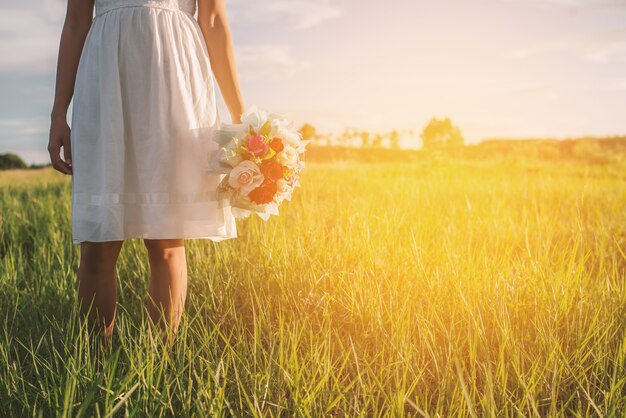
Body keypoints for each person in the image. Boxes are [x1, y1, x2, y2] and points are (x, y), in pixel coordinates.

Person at [47, 0, 244, 349]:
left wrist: (242, 118)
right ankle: (95, 368)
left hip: (176, 81)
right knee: (98, 241)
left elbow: (213, 21)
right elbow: (76, 23)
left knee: (167, 240)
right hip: (105, 79)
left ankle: (159, 367)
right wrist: (58, 113)